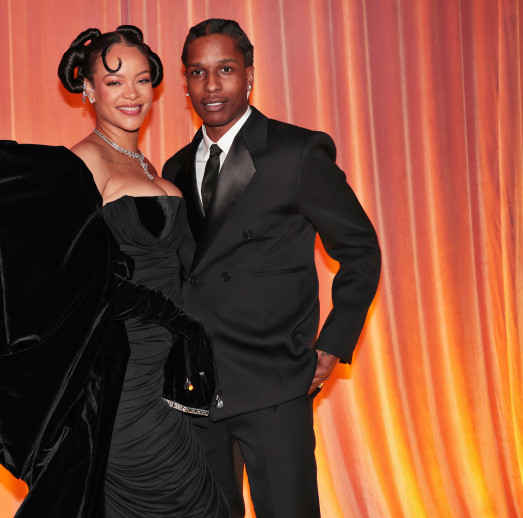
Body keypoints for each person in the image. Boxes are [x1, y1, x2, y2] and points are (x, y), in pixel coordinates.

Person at [0, 26, 227, 518]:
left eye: (142, 80)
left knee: (197, 499)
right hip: (122, 370)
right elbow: (79, 279)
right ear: (87, 90)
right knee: (165, 500)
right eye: (114, 81)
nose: (132, 94)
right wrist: (171, 316)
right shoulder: (79, 167)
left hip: (164, 371)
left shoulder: (152, 168)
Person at [162, 19, 382, 518]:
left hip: (273, 381)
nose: (211, 86)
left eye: (225, 70)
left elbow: (361, 250)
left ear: (250, 75)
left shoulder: (296, 152)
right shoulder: (174, 169)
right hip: (198, 386)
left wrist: (332, 344)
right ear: (185, 83)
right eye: (197, 73)